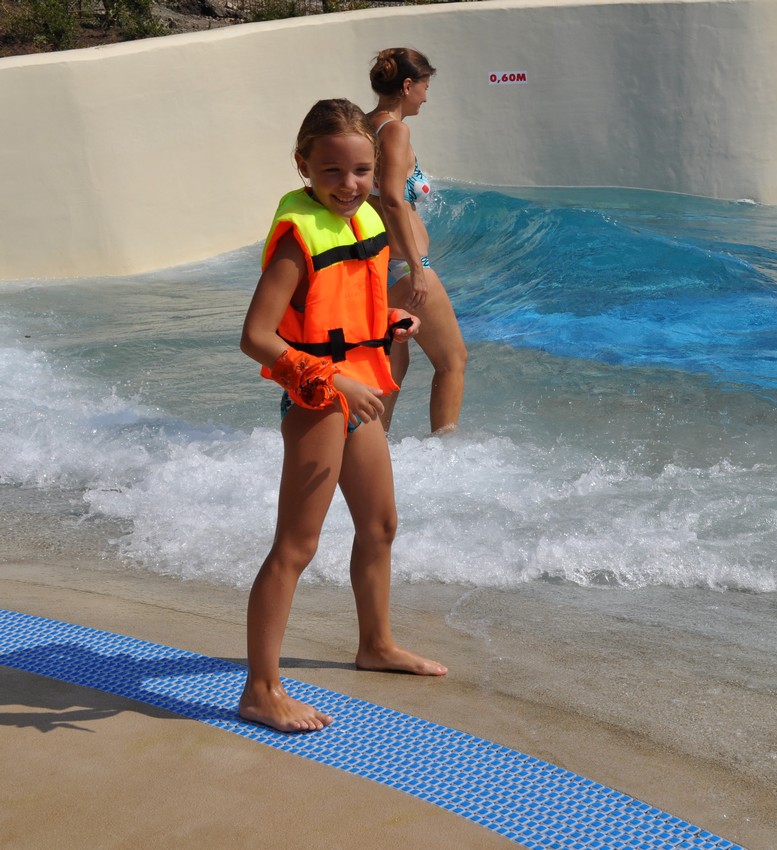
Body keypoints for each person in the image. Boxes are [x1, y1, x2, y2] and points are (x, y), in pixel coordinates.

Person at [239, 98, 447, 734]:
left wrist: (390, 321)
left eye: (361, 171)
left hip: (361, 395)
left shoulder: (367, 220)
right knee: (296, 546)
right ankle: (261, 689)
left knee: (380, 526)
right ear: (303, 165)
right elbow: (257, 337)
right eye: (332, 170)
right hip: (318, 401)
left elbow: (347, 308)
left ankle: (376, 645)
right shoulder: (297, 239)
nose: (349, 184)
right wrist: (332, 380)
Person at [367, 46, 468, 434]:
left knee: (395, 364)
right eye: (425, 87)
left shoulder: (365, 124)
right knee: (452, 361)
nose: (426, 97)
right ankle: (445, 455)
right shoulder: (396, 131)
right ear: (408, 85)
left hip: (379, 265)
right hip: (403, 266)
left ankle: (373, 445)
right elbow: (393, 199)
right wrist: (416, 267)